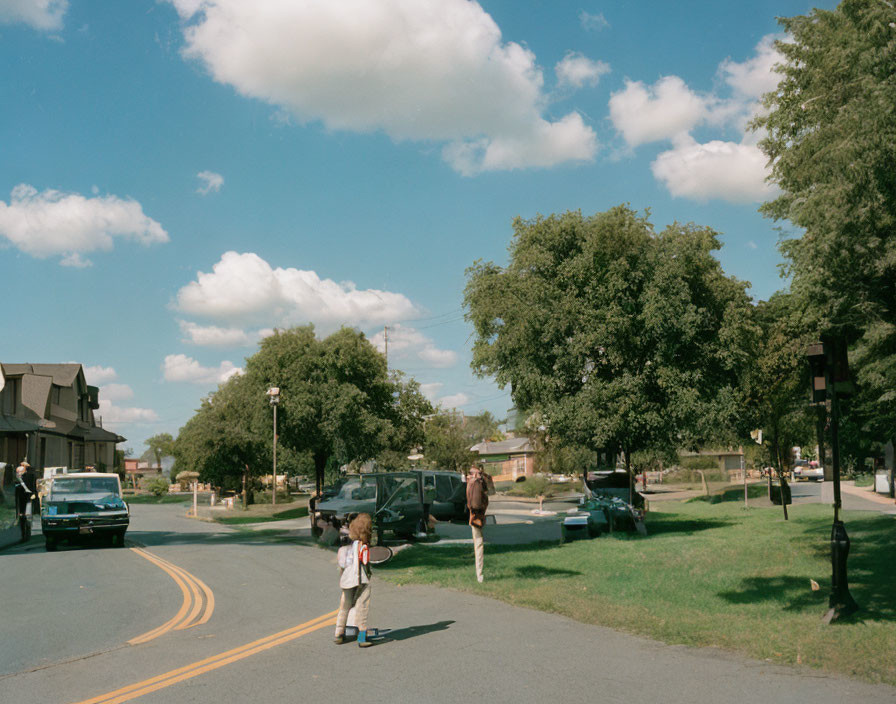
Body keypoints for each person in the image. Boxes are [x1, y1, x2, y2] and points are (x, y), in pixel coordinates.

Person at [334, 513, 374, 648]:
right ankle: (362, 636)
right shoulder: (362, 546)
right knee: (362, 605)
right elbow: (365, 560)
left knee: (344, 605)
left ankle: (339, 633)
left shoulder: (348, 545)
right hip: (360, 579)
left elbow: (342, 564)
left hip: (346, 579)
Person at [466, 464, 495, 583]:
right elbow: (477, 503)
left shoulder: (473, 483)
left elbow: (490, 492)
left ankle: (479, 573)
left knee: (478, 544)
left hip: (475, 516)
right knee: (479, 545)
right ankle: (479, 574)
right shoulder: (475, 484)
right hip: (477, 516)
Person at [14, 461, 37, 542]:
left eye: (20, 472)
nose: (19, 473)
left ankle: (26, 534)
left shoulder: (29, 477)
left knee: (26, 517)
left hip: (27, 498)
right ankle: (24, 534)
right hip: (21, 499)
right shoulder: (18, 480)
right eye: (18, 472)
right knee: (23, 517)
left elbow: (32, 486)